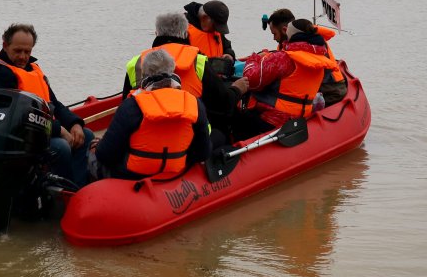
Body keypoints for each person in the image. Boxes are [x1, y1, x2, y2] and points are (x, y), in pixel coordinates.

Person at [0, 23, 94, 188]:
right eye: (18, 51)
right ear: (5, 45)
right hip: (14, 138)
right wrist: (59, 129)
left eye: (27, 52)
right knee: (60, 147)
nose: (23, 57)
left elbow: (54, 103)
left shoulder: (33, 70)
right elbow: (18, 119)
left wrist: (74, 123)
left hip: (41, 131)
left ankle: (78, 188)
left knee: (86, 136)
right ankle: (63, 194)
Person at [122, 12, 248, 141]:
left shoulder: (135, 63)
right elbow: (223, 104)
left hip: (145, 137)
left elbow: (125, 105)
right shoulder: (198, 61)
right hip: (188, 139)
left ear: (156, 33)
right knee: (221, 134)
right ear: (185, 34)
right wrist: (237, 89)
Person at [94, 49, 211, 180]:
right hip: (175, 172)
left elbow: (106, 155)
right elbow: (203, 153)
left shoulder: (132, 106)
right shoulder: (195, 104)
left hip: (132, 176)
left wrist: (97, 146)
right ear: (172, 71)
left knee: (92, 157)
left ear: (144, 75)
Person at [234, 18, 339, 140]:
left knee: (234, 117)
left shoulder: (284, 59)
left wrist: (254, 59)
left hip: (273, 119)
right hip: (301, 117)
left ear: (290, 36)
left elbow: (252, 81)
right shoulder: (321, 59)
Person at [264, 8, 347, 105]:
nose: (274, 38)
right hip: (328, 86)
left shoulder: (304, 44)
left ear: (284, 30)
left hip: (331, 90)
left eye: (274, 34)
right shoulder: (303, 36)